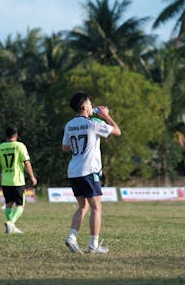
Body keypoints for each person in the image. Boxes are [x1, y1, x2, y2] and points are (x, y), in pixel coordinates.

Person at [62, 92, 121, 254]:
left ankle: (72, 237)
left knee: (83, 206)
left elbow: (65, 147)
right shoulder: (93, 123)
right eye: (90, 103)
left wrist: (82, 144)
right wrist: (106, 116)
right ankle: (93, 245)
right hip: (89, 170)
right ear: (84, 106)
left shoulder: (69, 125)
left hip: (74, 170)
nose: (91, 106)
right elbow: (117, 131)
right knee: (96, 208)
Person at [0, 126, 37, 234]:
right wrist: (32, 177)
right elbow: (26, 162)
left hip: (6, 181)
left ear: (5, 136)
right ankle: (11, 222)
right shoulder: (20, 146)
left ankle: (11, 227)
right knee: (20, 205)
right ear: (16, 135)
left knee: (9, 204)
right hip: (17, 181)